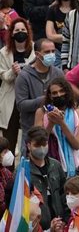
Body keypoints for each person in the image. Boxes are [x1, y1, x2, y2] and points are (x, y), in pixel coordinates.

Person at [34, 77, 79, 177]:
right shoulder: (41, 113)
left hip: (73, 166)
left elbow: (77, 145)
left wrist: (61, 123)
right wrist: (51, 123)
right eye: (55, 93)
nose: (59, 95)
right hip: (48, 164)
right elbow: (38, 142)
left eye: (62, 91)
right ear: (50, 96)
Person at [0, 17, 35, 149]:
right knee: (9, 139)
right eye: (17, 30)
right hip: (10, 99)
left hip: (29, 98)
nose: (20, 32)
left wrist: (25, 72)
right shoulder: (4, 52)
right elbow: (3, 76)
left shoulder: (35, 49)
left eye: (23, 29)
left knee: (30, 139)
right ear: (12, 33)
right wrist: (12, 72)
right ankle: (8, 168)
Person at [26, 126, 68, 230]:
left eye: (44, 144)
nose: (41, 149)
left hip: (60, 224)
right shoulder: (23, 172)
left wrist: (65, 220)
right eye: (37, 145)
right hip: (38, 227)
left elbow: (65, 194)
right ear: (29, 146)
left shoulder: (56, 165)